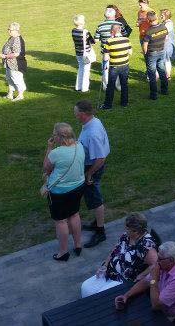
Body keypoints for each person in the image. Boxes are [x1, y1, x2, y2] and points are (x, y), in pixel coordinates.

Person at [115, 241, 175, 320]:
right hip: (169, 308)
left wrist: (154, 278)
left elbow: (156, 305)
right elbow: (146, 281)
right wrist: (127, 295)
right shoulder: (166, 265)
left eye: (160, 259)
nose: (157, 261)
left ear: (170, 260)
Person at [81, 213, 159, 297]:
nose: (125, 230)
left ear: (136, 231)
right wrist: (104, 265)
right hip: (109, 272)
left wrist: (142, 275)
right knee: (85, 287)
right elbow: (114, 251)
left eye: (127, 228)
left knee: (101, 295)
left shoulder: (146, 244)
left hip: (124, 280)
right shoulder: (126, 236)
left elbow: (155, 264)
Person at [43, 122, 86, 261]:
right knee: (74, 214)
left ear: (59, 137)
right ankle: (78, 245)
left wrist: (49, 147)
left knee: (61, 221)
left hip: (59, 191)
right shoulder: (79, 146)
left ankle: (63, 252)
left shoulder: (56, 153)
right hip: (78, 186)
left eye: (54, 134)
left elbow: (46, 168)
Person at [75, 100, 111, 248]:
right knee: (92, 195)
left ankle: (100, 231)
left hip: (93, 167)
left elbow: (100, 158)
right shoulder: (93, 122)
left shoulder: (92, 133)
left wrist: (89, 174)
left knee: (95, 197)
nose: (75, 114)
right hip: (91, 165)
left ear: (83, 114)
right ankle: (97, 223)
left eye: (76, 112)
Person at [95, 7, 128, 91]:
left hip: (105, 51)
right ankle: (118, 86)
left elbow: (96, 39)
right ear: (114, 15)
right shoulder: (119, 24)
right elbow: (125, 34)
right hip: (117, 50)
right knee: (116, 68)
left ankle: (106, 86)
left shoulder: (100, 26)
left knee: (105, 69)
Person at [100, 24, 132, 109]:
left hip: (114, 66)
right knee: (124, 84)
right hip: (125, 65)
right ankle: (124, 103)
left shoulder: (109, 41)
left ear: (112, 31)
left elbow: (106, 57)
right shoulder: (126, 39)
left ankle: (107, 105)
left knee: (110, 85)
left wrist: (104, 63)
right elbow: (130, 52)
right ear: (120, 30)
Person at [142, 11, 170, 100]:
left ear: (148, 20)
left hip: (152, 53)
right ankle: (164, 90)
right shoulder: (163, 27)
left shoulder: (149, 31)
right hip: (161, 51)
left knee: (152, 74)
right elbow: (166, 38)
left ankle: (153, 95)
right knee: (162, 71)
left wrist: (145, 53)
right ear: (156, 18)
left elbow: (145, 45)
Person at [1, 22, 27, 101]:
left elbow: (16, 53)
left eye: (10, 30)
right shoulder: (12, 37)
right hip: (9, 63)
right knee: (9, 78)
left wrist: (5, 56)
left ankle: (20, 95)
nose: (8, 31)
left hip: (16, 64)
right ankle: (10, 94)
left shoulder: (17, 40)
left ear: (16, 30)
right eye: (8, 29)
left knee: (17, 79)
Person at [71, 15, 96, 93]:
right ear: (82, 22)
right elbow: (92, 41)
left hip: (78, 53)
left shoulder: (73, 31)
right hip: (86, 54)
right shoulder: (85, 31)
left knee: (80, 68)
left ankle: (78, 86)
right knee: (86, 70)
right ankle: (84, 88)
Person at [161, 9, 175, 81]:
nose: (161, 16)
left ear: (166, 15)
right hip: (164, 44)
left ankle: (168, 75)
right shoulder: (164, 22)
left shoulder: (169, 24)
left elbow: (164, 34)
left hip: (167, 44)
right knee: (164, 60)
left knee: (166, 60)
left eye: (162, 15)